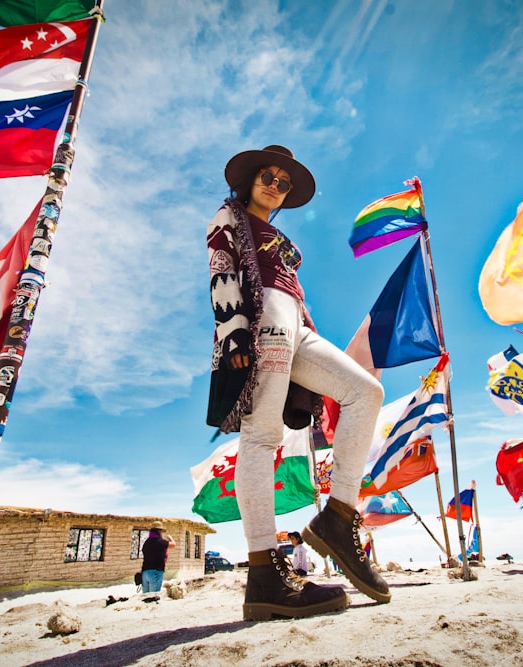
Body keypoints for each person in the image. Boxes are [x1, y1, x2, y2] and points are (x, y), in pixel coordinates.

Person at [206, 145, 389, 621]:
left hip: (296, 323)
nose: (274, 183)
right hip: (261, 315)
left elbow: (290, 290)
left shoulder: (279, 236)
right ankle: (264, 569)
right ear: (249, 179)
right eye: (267, 175)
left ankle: (338, 515)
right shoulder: (229, 216)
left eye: (283, 181)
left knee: (365, 391)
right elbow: (222, 270)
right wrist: (234, 332)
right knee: (262, 436)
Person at [140, 521, 175, 601]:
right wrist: (170, 538)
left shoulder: (147, 542)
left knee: (145, 597)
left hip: (145, 572)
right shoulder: (159, 541)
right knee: (153, 597)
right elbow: (173, 545)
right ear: (159, 531)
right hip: (156, 572)